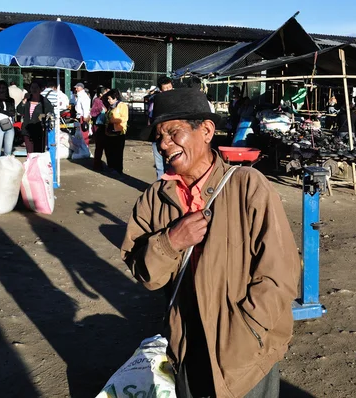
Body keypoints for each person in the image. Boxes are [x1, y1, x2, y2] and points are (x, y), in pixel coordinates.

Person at [121, 88, 300, 398]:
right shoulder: (154, 199)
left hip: (246, 355)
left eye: (173, 133)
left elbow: (279, 274)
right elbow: (147, 275)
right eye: (159, 137)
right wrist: (170, 241)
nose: (164, 144)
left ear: (205, 130)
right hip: (188, 347)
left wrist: (249, 333)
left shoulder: (247, 185)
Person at [16, 81, 52, 154]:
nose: (34, 89)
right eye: (32, 87)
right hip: (27, 129)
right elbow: (19, 110)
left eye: (36, 87)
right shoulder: (27, 100)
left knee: (38, 153)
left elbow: (50, 112)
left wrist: (40, 118)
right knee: (30, 153)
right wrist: (24, 99)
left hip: (39, 129)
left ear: (40, 89)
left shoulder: (44, 101)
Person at [149, 76, 173, 179]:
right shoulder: (155, 100)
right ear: (160, 89)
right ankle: (160, 186)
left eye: (169, 87)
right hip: (158, 135)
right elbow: (151, 117)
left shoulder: (176, 99)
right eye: (165, 88)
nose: (168, 90)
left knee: (173, 163)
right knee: (159, 165)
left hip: (172, 135)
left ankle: (171, 187)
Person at [103, 89, 128, 174]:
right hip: (109, 132)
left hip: (119, 132)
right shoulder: (110, 107)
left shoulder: (122, 106)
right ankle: (111, 167)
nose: (108, 100)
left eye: (109, 98)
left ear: (115, 98)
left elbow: (125, 118)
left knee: (118, 152)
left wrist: (113, 121)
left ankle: (118, 169)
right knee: (109, 151)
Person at [91, 86, 109, 171]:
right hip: (98, 126)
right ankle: (97, 164)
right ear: (101, 94)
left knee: (102, 146)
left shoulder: (103, 101)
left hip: (103, 126)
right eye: (105, 92)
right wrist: (101, 111)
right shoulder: (97, 101)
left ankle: (99, 163)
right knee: (99, 146)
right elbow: (93, 113)